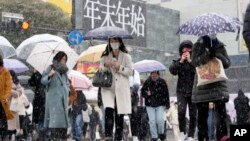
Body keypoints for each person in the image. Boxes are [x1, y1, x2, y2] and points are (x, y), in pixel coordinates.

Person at [191, 35, 231, 141]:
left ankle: (222, 137)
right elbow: (194, 62)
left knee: (221, 116)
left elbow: (227, 63)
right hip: (202, 87)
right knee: (202, 118)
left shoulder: (219, 45)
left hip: (218, 86)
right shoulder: (198, 45)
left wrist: (217, 54)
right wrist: (207, 53)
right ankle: (203, 138)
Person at [100, 37, 133, 141]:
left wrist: (119, 67)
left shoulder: (126, 57)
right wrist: (106, 65)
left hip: (121, 89)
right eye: (112, 41)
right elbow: (100, 70)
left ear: (120, 42)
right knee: (109, 110)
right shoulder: (105, 56)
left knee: (119, 115)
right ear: (109, 43)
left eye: (116, 41)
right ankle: (108, 136)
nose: (114, 43)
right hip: (108, 88)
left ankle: (118, 138)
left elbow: (130, 72)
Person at [169, 40, 197, 141]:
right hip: (181, 91)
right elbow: (172, 71)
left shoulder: (195, 62)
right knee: (181, 112)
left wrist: (190, 61)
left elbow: (199, 71)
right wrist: (181, 61)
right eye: (184, 49)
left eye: (188, 49)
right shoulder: (178, 61)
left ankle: (191, 135)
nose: (186, 51)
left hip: (193, 91)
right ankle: (182, 132)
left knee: (193, 114)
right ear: (181, 51)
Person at [41, 51, 70, 140]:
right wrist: (49, 75)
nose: (64, 61)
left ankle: (60, 137)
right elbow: (43, 81)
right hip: (54, 100)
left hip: (63, 100)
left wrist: (67, 87)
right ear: (58, 58)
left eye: (65, 59)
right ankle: (55, 137)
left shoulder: (64, 71)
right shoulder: (51, 68)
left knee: (63, 126)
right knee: (55, 123)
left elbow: (66, 83)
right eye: (63, 59)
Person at [141, 71, 170, 141]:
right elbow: (142, 92)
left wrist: (167, 103)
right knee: (152, 121)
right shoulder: (147, 82)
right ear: (150, 75)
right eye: (152, 75)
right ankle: (154, 137)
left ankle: (161, 134)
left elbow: (166, 93)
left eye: (155, 76)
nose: (154, 77)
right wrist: (147, 94)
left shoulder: (162, 82)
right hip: (150, 105)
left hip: (160, 104)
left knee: (160, 120)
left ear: (158, 75)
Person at [28, 69, 46, 140]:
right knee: (39, 120)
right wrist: (34, 73)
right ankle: (41, 136)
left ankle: (41, 136)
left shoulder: (48, 74)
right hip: (38, 100)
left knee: (43, 120)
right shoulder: (37, 74)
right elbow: (31, 83)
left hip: (45, 100)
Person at [0, 55, 14, 140]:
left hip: (3, 100)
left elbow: (8, 86)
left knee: (3, 119)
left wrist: (5, 97)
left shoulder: (5, 71)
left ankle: (4, 136)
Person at [8, 70, 22, 141]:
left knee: (12, 123)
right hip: (4, 105)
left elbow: (19, 92)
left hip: (13, 105)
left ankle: (12, 134)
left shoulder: (16, 82)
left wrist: (11, 91)